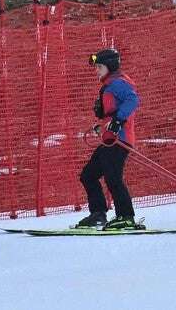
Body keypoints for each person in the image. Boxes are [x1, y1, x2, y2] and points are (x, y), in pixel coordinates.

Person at [76, 48, 140, 229]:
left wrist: (118, 120)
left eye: (99, 67)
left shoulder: (118, 83)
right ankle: (98, 214)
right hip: (110, 139)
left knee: (113, 178)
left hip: (119, 140)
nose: (96, 70)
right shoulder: (111, 84)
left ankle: (126, 216)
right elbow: (112, 111)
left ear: (110, 66)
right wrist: (102, 125)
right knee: (88, 175)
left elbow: (133, 100)